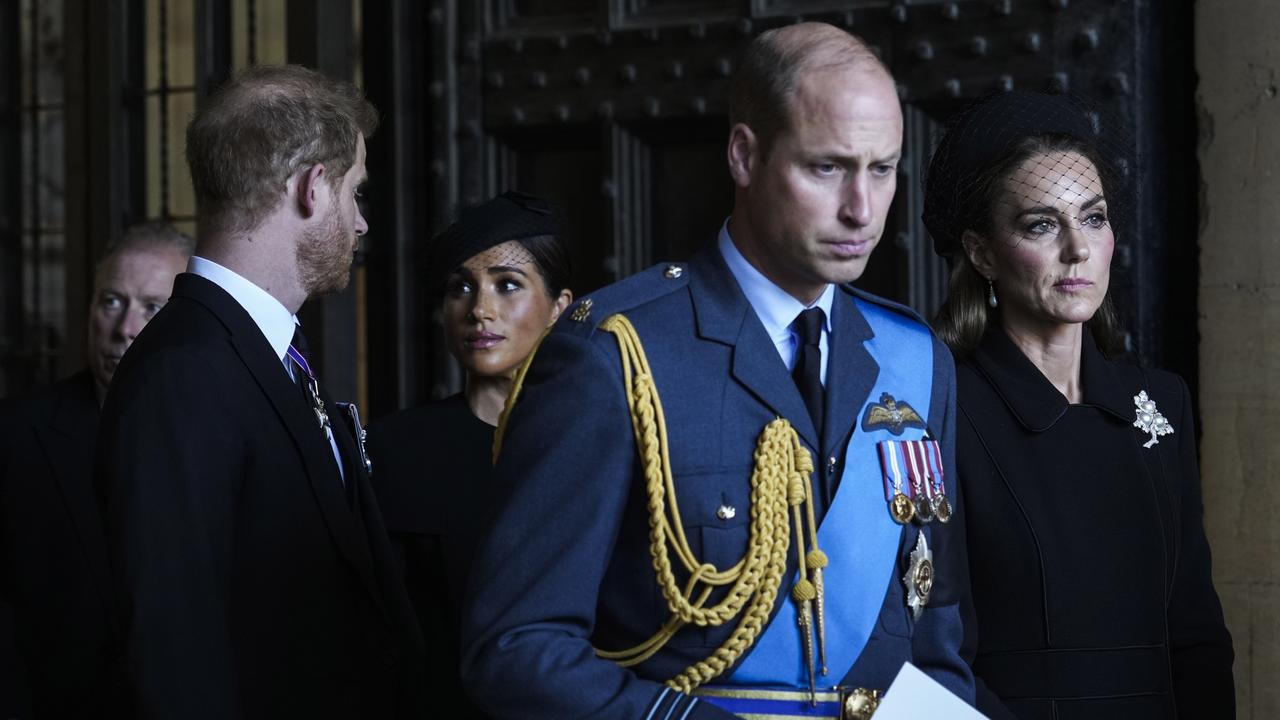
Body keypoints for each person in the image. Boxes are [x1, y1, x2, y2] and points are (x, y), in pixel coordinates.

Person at [460, 22, 973, 719]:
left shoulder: (914, 359)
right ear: (744, 156)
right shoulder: (615, 355)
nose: (862, 208)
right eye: (826, 168)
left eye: (881, 169)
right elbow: (516, 649)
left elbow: (934, 633)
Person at [94, 65, 424, 719]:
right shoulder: (182, 376)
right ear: (313, 187)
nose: (359, 224)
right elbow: (174, 661)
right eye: (355, 194)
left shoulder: (264, 356)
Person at [924, 90, 1235, 719]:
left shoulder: (1160, 401)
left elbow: (1196, 634)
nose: (1078, 249)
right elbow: (935, 650)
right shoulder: (941, 407)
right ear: (982, 253)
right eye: (1042, 224)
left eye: (1093, 218)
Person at [366, 190, 573, 718]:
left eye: (508, 285)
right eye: (461, 287)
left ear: (558, 308)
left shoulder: (593, 447)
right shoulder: (395, 449)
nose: (480, 310)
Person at [0, 223, 191, 718]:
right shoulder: (16, 438)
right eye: (112, 301)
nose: (125, 327)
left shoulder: (226, 437)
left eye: (152, 308)